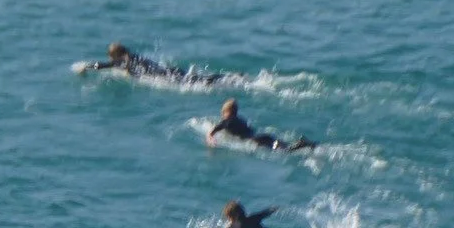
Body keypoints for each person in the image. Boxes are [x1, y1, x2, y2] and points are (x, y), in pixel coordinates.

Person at [79, 43, 219, 88]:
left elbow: (101, 66)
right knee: (196, 79)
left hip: (160, 76)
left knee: (194, 83)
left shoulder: (121, 61)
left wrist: (85, 66)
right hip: (167, 70)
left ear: (115, 55)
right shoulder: (135, 56)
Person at [208, 98, 313, 153]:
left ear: (226, 111)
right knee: (284, 146)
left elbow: (213, 131)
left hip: (256, 141)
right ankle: (301, 143)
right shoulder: (241, 120)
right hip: (262, 135)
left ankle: (300, 145)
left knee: (284, 151)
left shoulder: (227, 121)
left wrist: (210, 139)